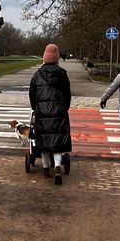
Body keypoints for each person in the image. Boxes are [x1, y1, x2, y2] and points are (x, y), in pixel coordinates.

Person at [29, 43, 72, 185]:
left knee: (44, 141)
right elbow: (67, 94)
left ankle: (46, 168)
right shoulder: (63, 74)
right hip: (59, 111)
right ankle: (58, 166)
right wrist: (65, 107)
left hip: (42, 112)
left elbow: (32, 94)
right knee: (57, 142)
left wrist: (35, 107)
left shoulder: (37, 75)